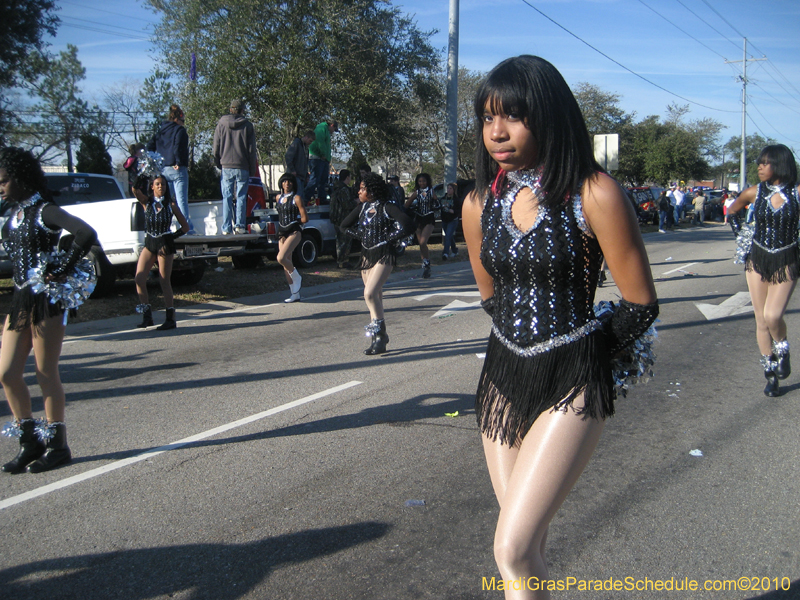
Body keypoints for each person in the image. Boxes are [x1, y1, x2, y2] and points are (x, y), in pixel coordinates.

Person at [462, 56, 658, 598]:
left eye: (514, 116)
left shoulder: (594, 193)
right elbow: (491, 298)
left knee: (513, 549)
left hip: (571, 380)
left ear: (549, 116)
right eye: (485, 118)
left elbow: (641, 304)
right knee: (524, 548)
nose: (496, 132)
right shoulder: (480, 203)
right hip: (502, 380)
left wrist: (587, 359)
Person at [0, 147, 98, 474]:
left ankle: (58, 446)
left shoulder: (45, 211)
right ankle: (30, 441)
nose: (0, 187)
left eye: (4, 181)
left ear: (22, 178)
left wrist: (62, 269)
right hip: (18, 301)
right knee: (7, 373)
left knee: (45, 373)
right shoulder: (11, 214)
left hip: (46, 302)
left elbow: (85, 233)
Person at [727, 144, 800, 397]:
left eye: (765, 162)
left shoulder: (798, 193)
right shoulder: (753, 192)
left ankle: (782, 349)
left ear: (780, 164)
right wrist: (743, 237)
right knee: (760, 319)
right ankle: (770, 376)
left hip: (787, 259)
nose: (760, 166)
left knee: (773, 315)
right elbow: (732, 211)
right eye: (759, 162)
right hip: (756, 259)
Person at [340, 172, 414, 355]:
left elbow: (408, 225)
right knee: (375, 298)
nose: (359, 192)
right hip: (366, 255)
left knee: (370, 293)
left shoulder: (387, 207)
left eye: (362, 189)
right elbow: (343, 226)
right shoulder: (362, 208)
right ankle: (377, 338)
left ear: (372, 191)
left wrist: (389, 238)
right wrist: (361, 236)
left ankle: (380, 335)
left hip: (384, 254)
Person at [132, 173, 190, 330]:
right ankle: (147, 316)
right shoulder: (147, 202)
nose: (160, 187)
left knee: (164, 281)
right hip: (150, 243)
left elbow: (185, 227)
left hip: (164, 244)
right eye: (157, 184)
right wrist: (141, 176)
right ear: (152, 186)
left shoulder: (170, 205)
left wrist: (171, 237)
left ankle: (170, 319)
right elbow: (135, 190)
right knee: (139, 279)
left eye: (163, 184)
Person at [213, 99, 258, 235]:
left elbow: (216, 146)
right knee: (241, 196)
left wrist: (218, 162)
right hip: (242, 165)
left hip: (226, 165)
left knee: (226, 197)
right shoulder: (247, 126)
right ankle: (240, 226)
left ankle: (226, 228)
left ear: (230, 109)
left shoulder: (221, 124)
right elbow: (251, 150)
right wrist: (252, 168)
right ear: (242, 110)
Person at [147, 104, 194, 234]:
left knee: (165, 199)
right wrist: (178, 161)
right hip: (177, 169)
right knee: (181, 200)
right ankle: (186, 228)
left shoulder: (161, 131)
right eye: (183, 121)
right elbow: (178, 146)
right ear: (177, 119)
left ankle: (163, 226)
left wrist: (156, 161)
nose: (183, 124)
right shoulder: (179, 130)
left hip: (163, 170)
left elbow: (149, 146)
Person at [275, 173, 309, 302]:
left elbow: (305, 218)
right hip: (281, 232)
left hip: (294, 231)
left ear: (293, 184)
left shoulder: (297, 198)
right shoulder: (278, 198)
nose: (287, 184)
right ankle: (294, 293)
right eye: (284, 182)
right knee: (285, 263)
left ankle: (297, 276)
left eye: (289, 182)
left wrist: (297, 222)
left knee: (281, 257)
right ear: (281, 183)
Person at [405, 173, 439, 279]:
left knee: (423, 242)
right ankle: (425, 265)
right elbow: (407, 204)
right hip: (419, 218)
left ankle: (427, 263)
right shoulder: (417, 192)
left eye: (423, 181)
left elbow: (437, 203)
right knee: (421, 244)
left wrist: (436, 205)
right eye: (420, 181)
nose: (422, 183)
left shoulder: (431, 191)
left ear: (427, 181)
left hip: (429, 218)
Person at [306, 118, 338, 204]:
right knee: (315, 180)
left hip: (323, 159)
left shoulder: (326, 131)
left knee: (323, 181)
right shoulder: (321, 128)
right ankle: (305, 198)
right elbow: (319, 142)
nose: (333, 132)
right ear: (332, 125)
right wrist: (322, 154)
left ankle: (322, 199)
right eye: (334, 129)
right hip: (317, 158)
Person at [330, 169, 357, 269]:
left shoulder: (336, 188)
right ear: (347, 177)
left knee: (339, 241)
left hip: (336, 218)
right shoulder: (344, 190)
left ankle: (341, 261)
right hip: (343, 218)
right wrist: (356, 202)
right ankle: (343, 261)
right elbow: (347, 205)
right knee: (345, 241)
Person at [285, 130, 315, 203]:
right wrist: (292, 170)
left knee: (301, 197)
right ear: (306, 137)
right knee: (297, 197)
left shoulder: (305, 149)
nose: (310, 143)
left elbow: (305, 163)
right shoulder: (296, 144)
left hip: (302, 176)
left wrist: (306, 175)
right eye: (310, 140)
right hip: (295, 175)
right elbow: (288, 157)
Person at [440, 182, 460, 259]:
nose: (448, 190)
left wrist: (454, 211)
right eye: (448, 188)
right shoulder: (443, 198)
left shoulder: (456, 199)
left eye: (450, 188)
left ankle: (445, 253)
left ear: (454, 190)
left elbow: (459, 210)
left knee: (447, 236)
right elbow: (440, 208)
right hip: (445, 220)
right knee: (449, 236)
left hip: (453, 220)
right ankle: (455, 250)